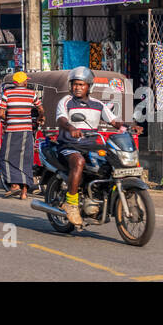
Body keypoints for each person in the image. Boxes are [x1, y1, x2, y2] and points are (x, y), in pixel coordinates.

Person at [55, 67, 125, 227]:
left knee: (114, 160)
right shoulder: (66, 101)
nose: (77, 87)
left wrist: (129, 126)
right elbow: (61, 120)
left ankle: (103, 196)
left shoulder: (98, 104)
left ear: (89, 86)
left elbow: (114, 121)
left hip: (92, 146)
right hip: (69, 145)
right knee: (78, 161)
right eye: (75, 84)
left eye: (81, 84)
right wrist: (71, 128)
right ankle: (71, 204)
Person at [0, 70, 41, 200]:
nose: (27, 82)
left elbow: (1, 114)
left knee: (5, 158)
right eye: (26, 80)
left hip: (12, 130)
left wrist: (5, 121)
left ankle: (15, 185)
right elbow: (41, 109)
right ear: (23, 82)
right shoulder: (32, 94)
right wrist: (40, 118)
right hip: (27, 131)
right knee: (26, 159)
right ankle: (24, 192)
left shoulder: (7, 93)